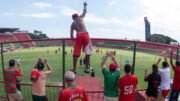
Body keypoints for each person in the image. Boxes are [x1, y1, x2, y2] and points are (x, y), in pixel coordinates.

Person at [70, 2, 93, 74]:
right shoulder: (81, 18)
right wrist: (85, 5)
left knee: (76, 53)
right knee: (87, 53)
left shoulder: (72, 24)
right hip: (86, 34)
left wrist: (73, 40)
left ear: (73, 17)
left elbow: (71, 36)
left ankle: (74, 69)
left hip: (79, 35)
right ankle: (86, 68)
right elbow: (84, 11)